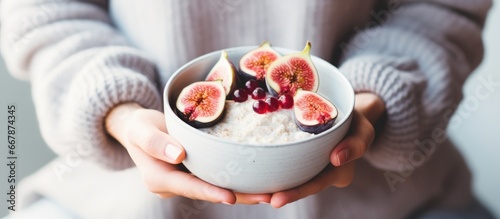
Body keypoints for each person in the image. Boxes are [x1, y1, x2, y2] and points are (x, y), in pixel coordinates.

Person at [0, 0, 495, 218]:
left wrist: (374, 102)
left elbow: (442, 7)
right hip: (119, 199)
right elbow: (46, 13)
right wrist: (120, 111)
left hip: (389, 200)